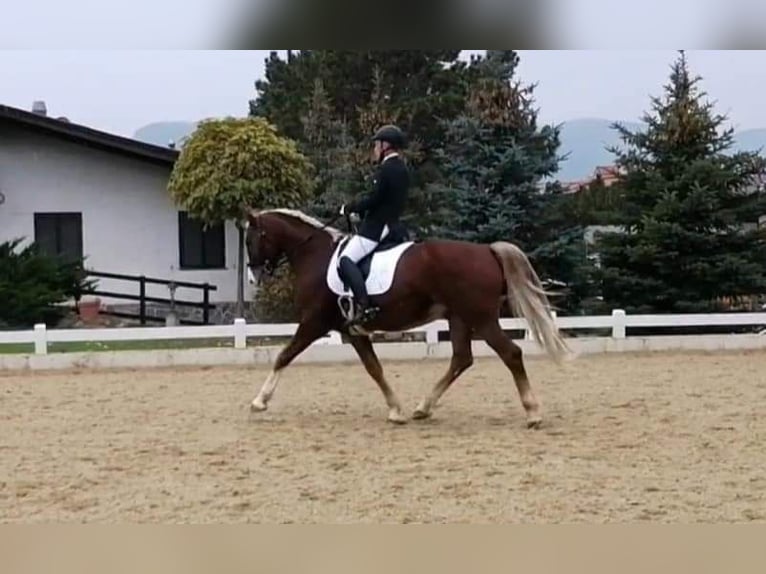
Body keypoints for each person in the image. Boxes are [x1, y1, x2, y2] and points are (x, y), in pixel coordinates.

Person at [338, 124, 411, 327]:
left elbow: (375, 199)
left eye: (377, 145)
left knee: (345, 260)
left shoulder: (387, 169)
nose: (375, 149)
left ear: (386, 145)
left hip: (377, 227)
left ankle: (363, 304)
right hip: (395, 225)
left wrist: (350, 207)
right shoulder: (403, 168)